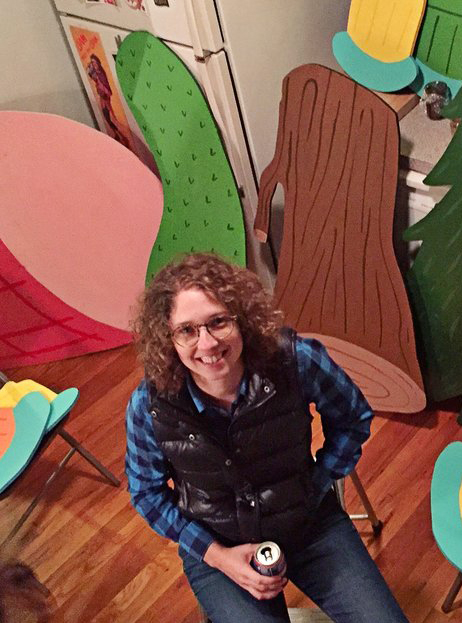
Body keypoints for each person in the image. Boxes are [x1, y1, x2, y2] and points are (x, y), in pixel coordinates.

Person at [126, 253, 408, 622]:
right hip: (219, 544)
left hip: (308, 525)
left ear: (241, 318)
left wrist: (317, 482)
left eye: (218, 322)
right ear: (168, 338)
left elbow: (353, 418)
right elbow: (146, 492)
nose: (207, 344)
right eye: (187, 330)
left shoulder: (296, 359)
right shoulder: (149, 404)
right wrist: (215, 555)